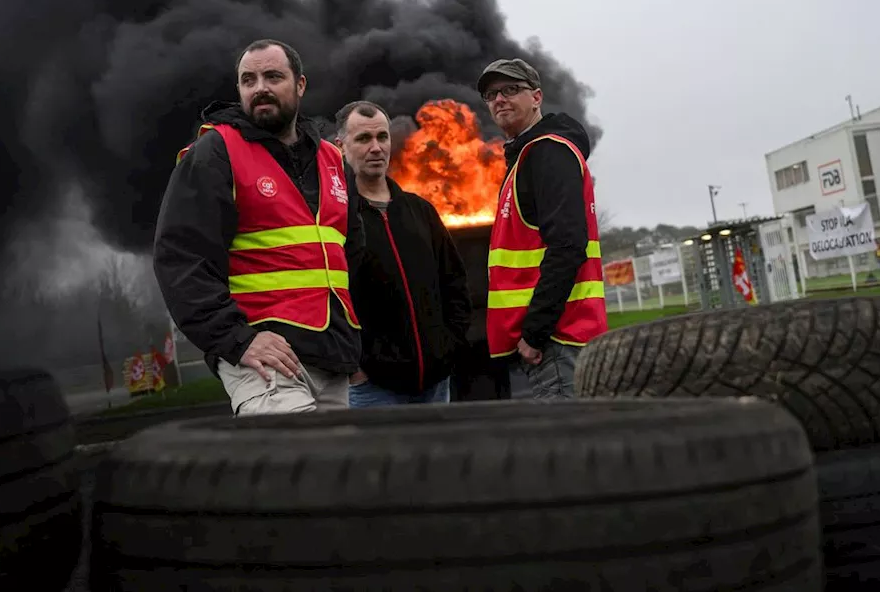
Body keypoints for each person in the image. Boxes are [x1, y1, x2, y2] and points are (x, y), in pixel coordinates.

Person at [152, 39, 364, 415]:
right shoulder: (215, 153)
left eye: (272, 76)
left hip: (332, 360)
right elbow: (181, 260)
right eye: (248, 80)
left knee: (337, 472)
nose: (259, 87)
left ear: (300, 85)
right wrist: (237, 339)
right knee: (296, 468)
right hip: (261, 359)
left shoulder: (334, 161)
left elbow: (352, 256)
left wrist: (353, 344)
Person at [478, 58, 608, 399]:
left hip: (555, 344)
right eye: (491, 94)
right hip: (549, 344)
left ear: (536, 97)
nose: (499, 99)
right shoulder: (527, 156)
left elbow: (567, 246)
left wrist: (534, 333)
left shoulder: (547, 152)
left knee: (561, 450)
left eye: (511, 90)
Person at [333, 100, 474, 407]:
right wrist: (356, 368)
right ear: (340, 146)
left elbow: (454, 284)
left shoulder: (420, 211)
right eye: (363, 139)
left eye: (382, 137)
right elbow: (329, 299)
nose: (376, 148)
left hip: (436, 384)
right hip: (372, 390)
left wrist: (447, 348)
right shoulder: (335, 217)